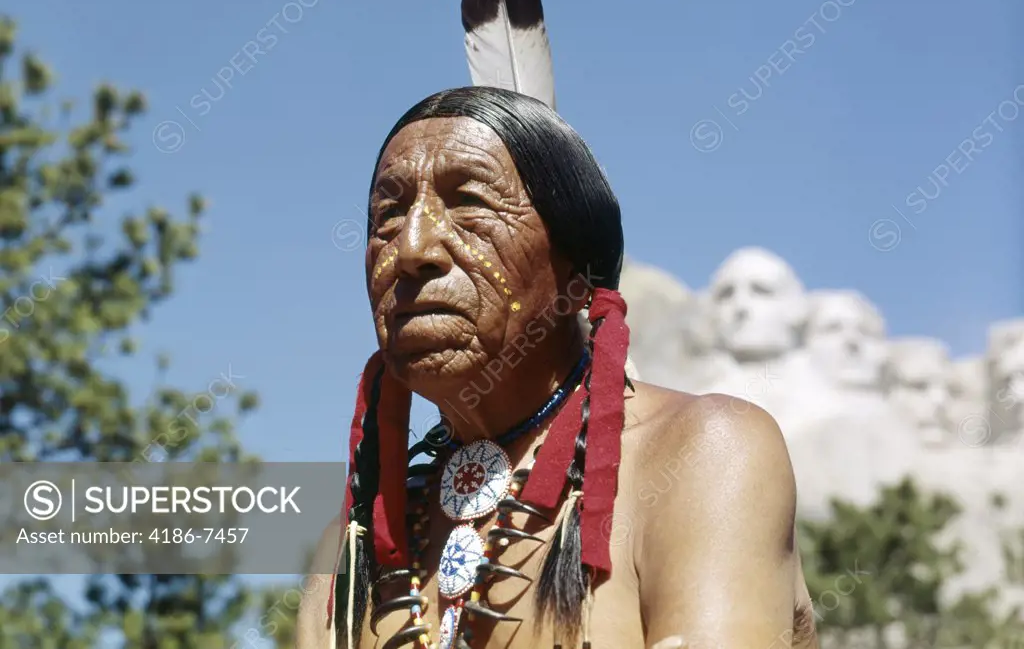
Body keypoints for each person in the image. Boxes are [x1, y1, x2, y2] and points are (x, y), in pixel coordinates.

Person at [296, 86, 819, 649]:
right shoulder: (351, 550)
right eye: (388, 215)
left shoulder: (706, 452)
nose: (412, 246)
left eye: (469, 201)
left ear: (578, 278)